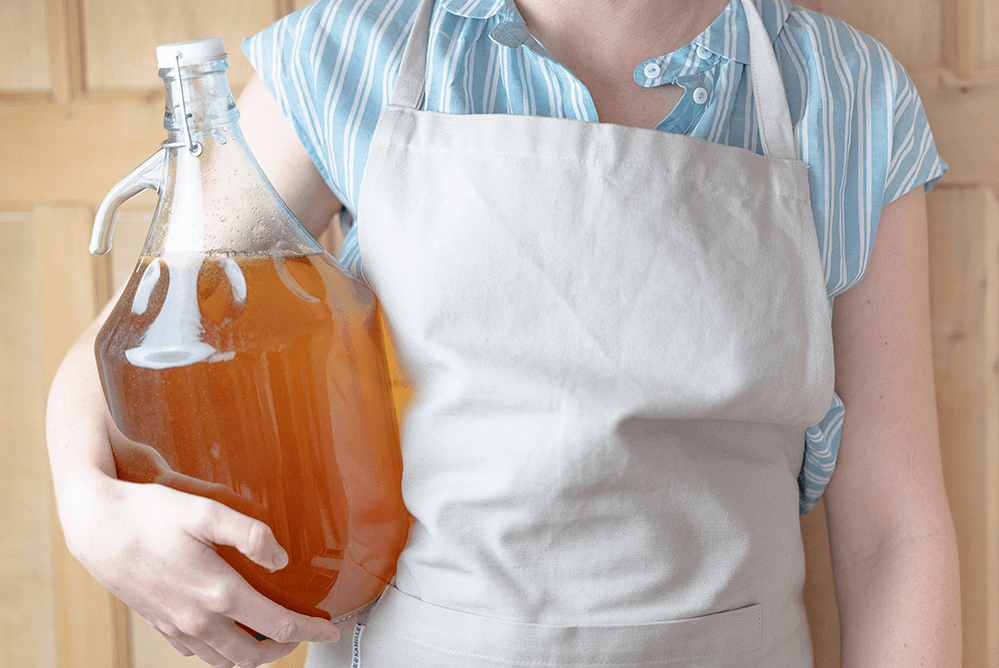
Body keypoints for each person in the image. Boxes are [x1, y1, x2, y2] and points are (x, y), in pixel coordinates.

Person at [46, 0, 962, 666]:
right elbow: (121, 355)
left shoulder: (844, 97)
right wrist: (93, 514)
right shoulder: (350, 52)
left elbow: (893, 535)